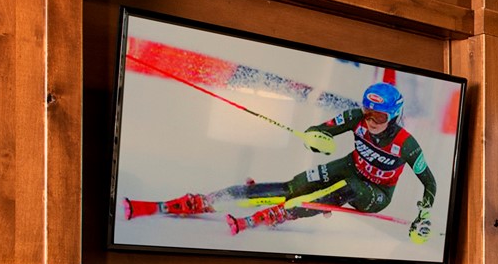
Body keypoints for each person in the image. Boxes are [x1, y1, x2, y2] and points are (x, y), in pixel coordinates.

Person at [125, 82, 439, 243]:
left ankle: (282, 213)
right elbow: (320, 132)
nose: (370, 121)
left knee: (349, 188)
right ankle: (209, 200)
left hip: (376, 193)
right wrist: (315, 140)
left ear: (394, 116)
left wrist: (423, 216)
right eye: (367, 113)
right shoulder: (356, 118)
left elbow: (430, 183)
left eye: (379, 117)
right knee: (296, 184)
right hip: (351, 165)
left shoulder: (406, 144)